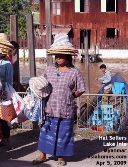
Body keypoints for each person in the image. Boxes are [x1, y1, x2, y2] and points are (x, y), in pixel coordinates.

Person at [31, 34, 86, 166]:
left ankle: (61, 157)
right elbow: (41, 84)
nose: (58, 58)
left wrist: (71, 96)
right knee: (45, 132)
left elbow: (81, 89)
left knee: (64, 133)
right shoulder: (49, 70)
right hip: (49, 108)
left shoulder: (74, 72)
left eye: (61, 55)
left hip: (65, 109)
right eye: (57, 55)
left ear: (68, 57)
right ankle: (42, 155)